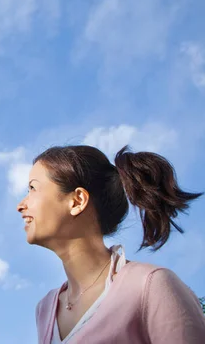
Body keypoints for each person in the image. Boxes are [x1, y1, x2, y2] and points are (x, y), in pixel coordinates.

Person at [17, 145, 205, 343]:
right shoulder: (45, 309)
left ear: (77, 201)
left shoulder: (150, 286)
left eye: (33, 188)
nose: (20, 205)